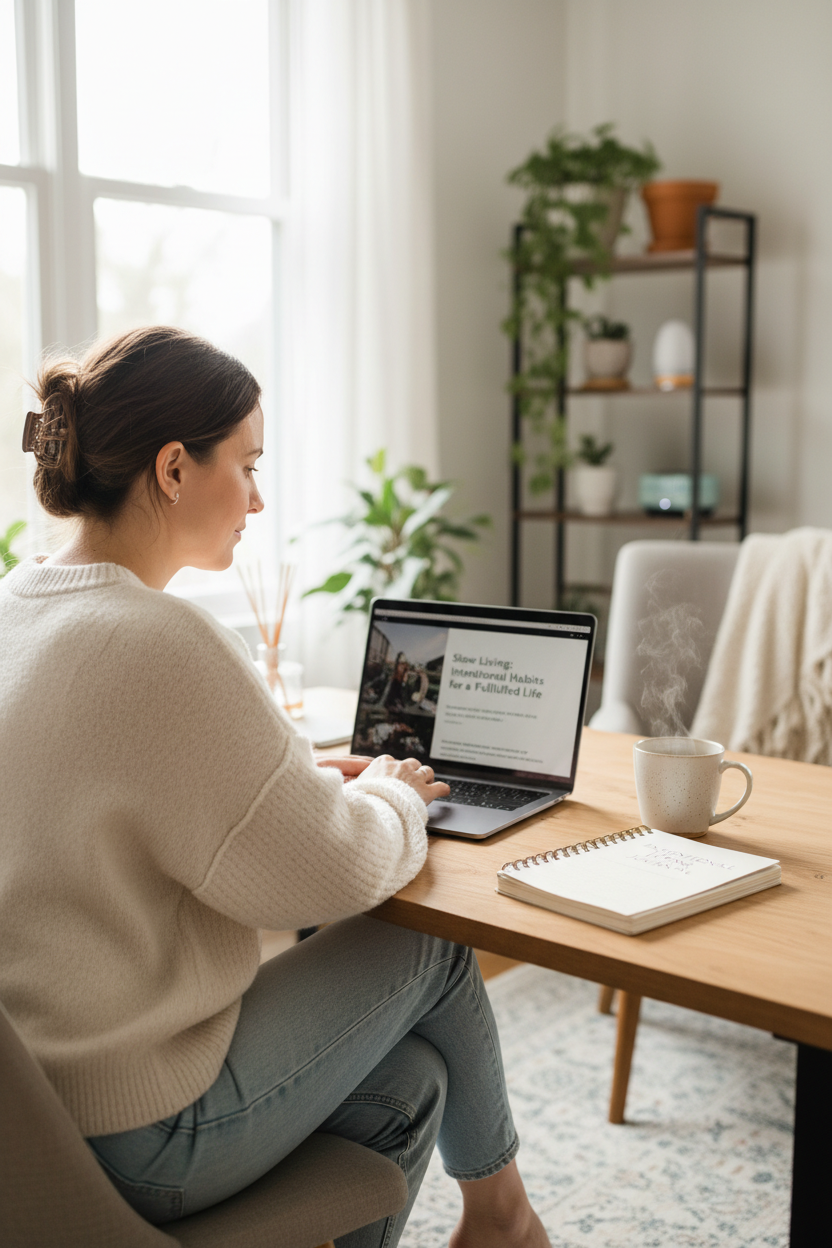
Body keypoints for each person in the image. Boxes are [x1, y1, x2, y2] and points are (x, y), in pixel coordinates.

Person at [0, 326, 550, 1248]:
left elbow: (117, 803)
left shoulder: (17, 608)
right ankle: (508, 1223)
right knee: (430, 946)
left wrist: (299, 782)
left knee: (411, 1086)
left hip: (33, 1128)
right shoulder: (161, 639)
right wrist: (395, 795)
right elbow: (333, 875)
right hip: (137, 1134)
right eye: (248, 466)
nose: (258, 497)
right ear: (174, 469)